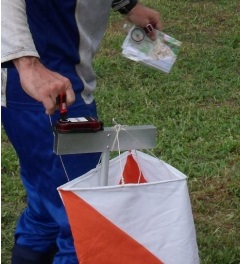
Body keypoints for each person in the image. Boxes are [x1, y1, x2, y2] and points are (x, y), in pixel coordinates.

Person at [1, 1, 162, 263]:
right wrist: (27, 63)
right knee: (83, 223)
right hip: (50, 88)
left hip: (40, 86)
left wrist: (128, 5)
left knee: (47, 211)